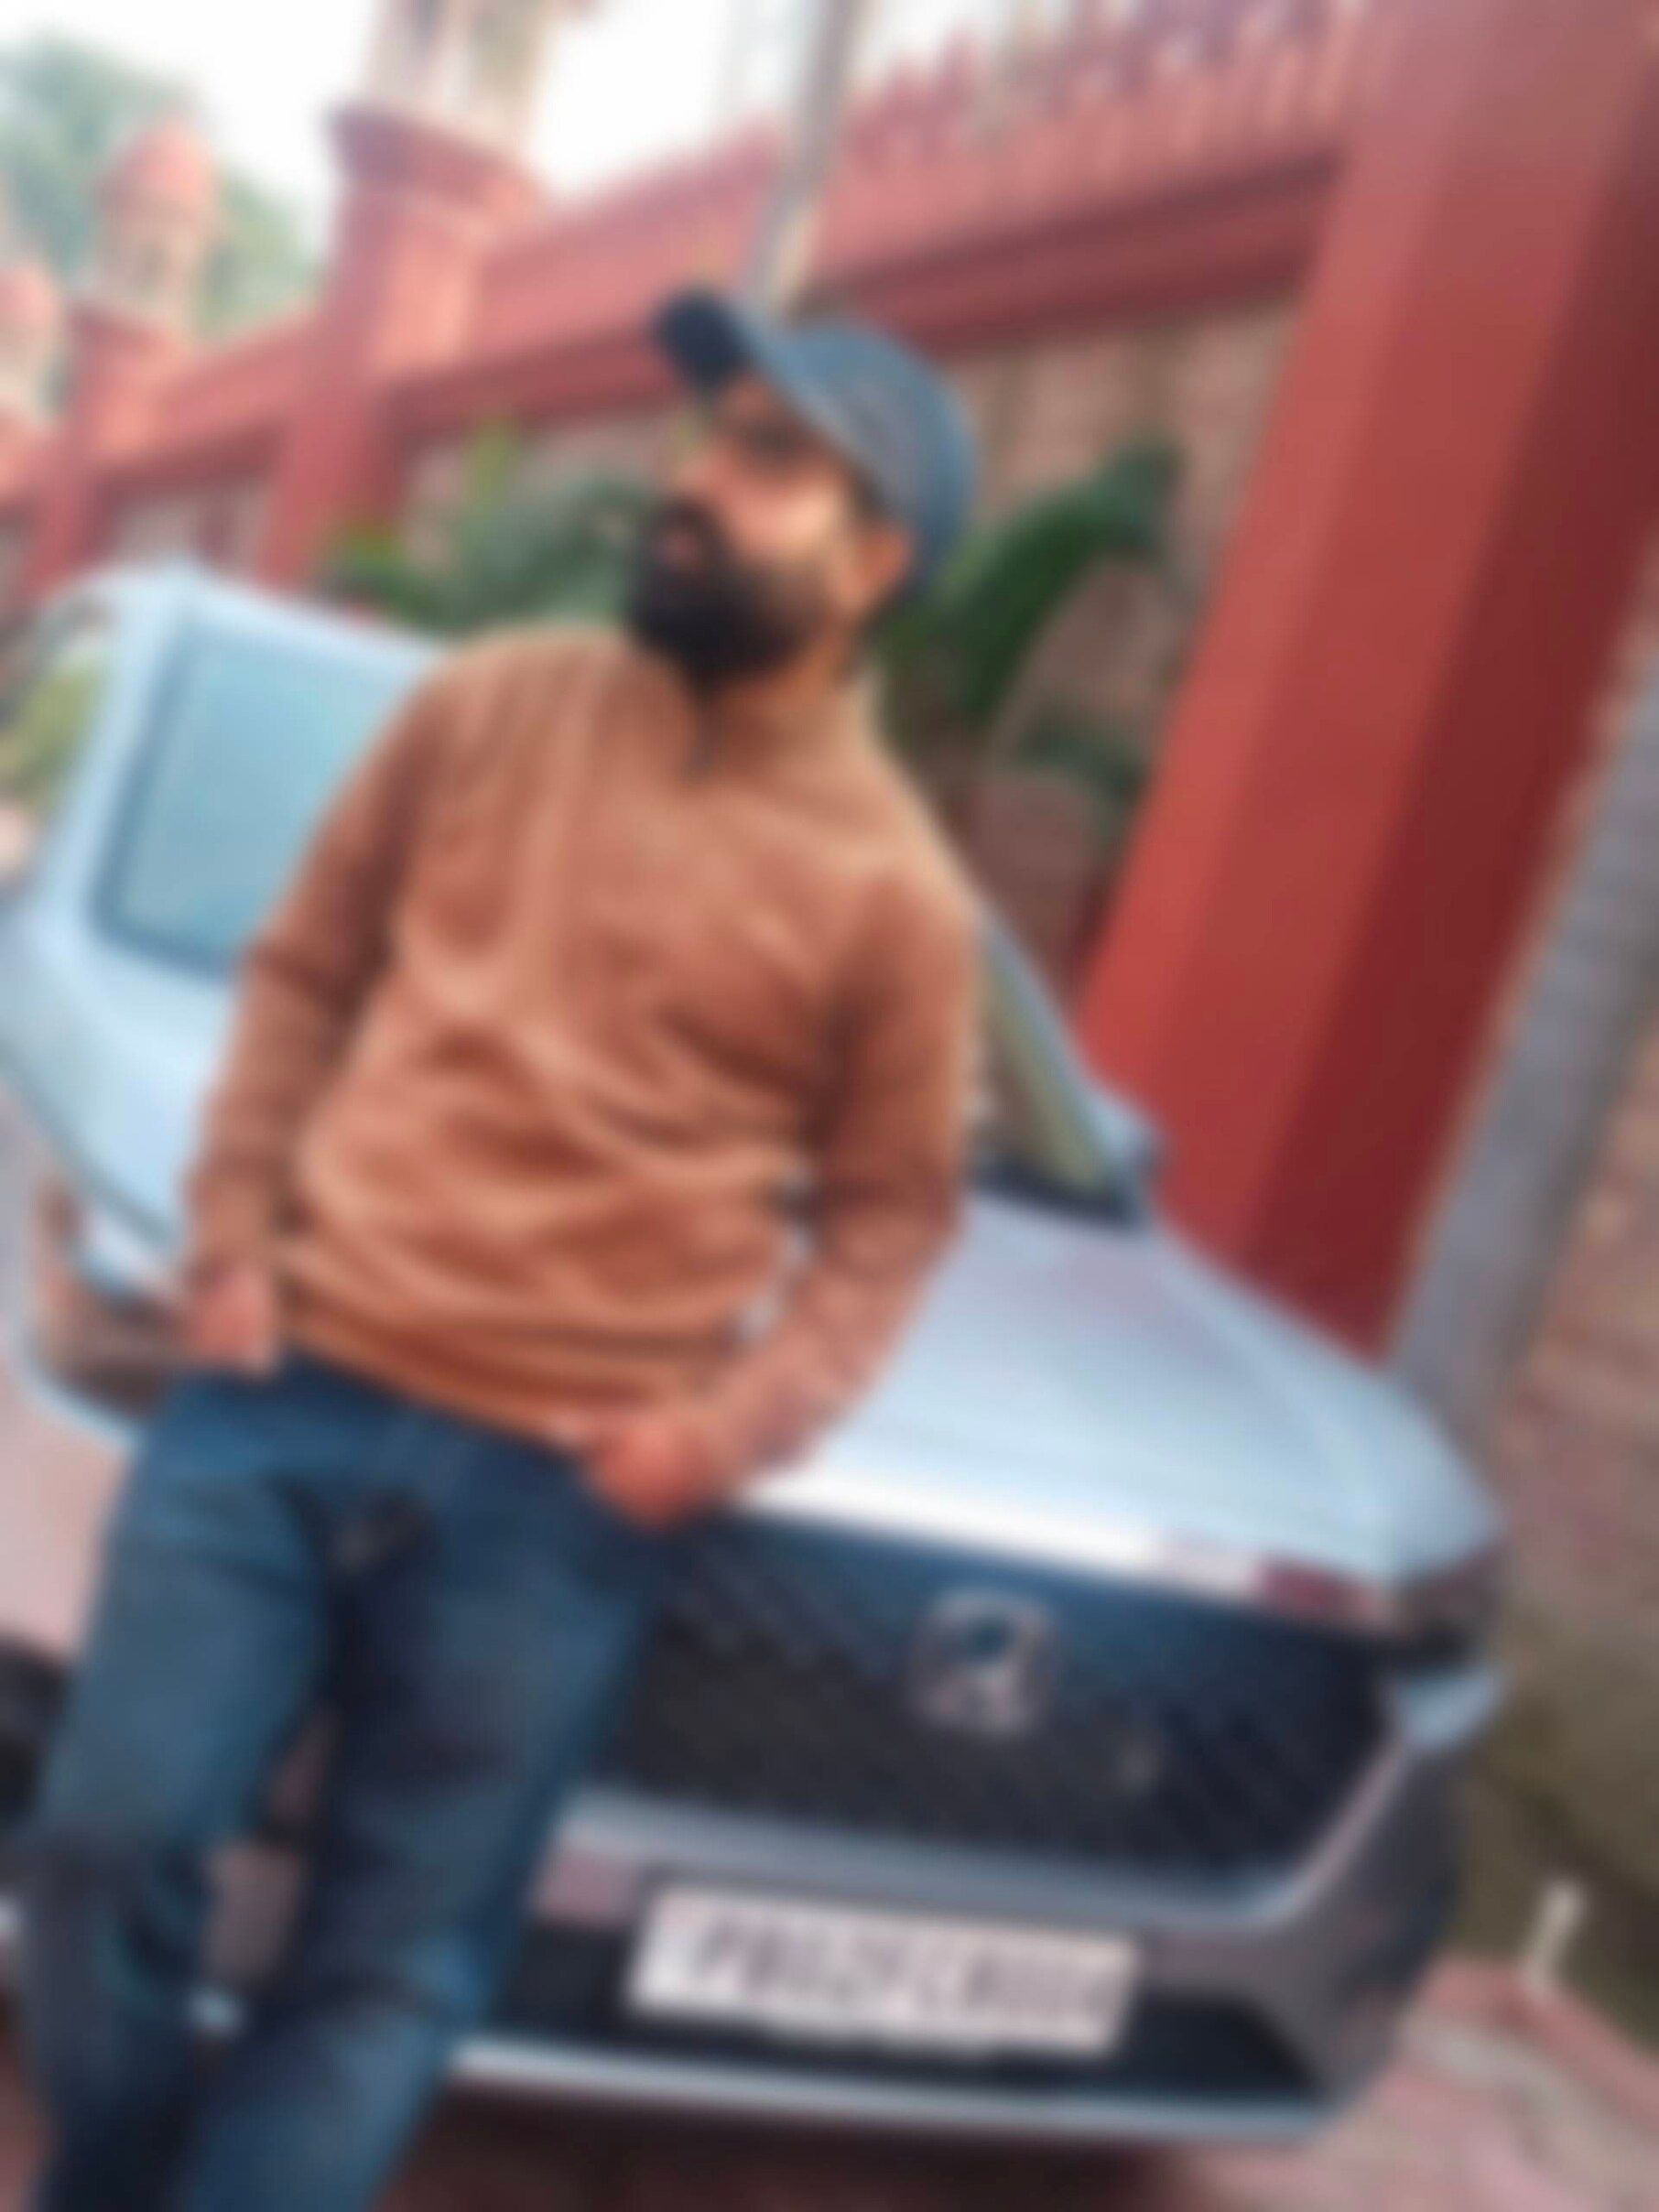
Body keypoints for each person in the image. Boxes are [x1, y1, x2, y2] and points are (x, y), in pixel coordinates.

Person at [17, 284, 983, 2212]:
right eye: (708, 431)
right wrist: (234, 1233)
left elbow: (891, 1216)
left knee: (386, 1968)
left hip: (556, 1498)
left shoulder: (898, 893)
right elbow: (304, 968)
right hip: (284, 1393)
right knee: (105, 1842)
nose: (695, 477)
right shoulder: (489, 703)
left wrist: (721, 1435)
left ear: (872, 564)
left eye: (768, 458)